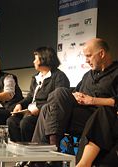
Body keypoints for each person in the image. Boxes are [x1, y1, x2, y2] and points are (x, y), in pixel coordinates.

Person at [30, 38, 118, 167]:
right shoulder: (88, 75)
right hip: (81, 116)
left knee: (52, 102)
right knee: (49, 105)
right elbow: (74, 93)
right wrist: (75, 95)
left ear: (102, 54)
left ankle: (52, 153)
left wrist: (92, 100)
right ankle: (37, 159)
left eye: (89, 56)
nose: (86, 60)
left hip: (101, 119)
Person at [7, 47, 70, 144]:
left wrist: (39, 109)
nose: (34, 61)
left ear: (44, 59)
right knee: (11, 121)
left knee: (26, 123)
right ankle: (18, 151)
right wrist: (20, 105)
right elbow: (30, 97)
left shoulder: (59, 77)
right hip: (30, 112)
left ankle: (29, 153)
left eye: (36, 59)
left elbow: (57, 100)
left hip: (45, 114)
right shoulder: (36, 77)